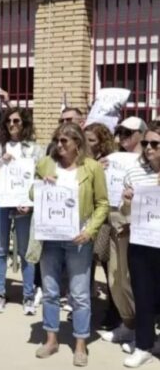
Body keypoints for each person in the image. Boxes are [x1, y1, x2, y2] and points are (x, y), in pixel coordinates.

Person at [33, 123, 109, 367]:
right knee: (51, 290)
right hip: (50, 238)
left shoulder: (92, 167)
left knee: (79, 294)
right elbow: (33, 194)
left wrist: (90, 231)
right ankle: (51, 339)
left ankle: (80, 343)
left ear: (78, 143)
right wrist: (42, 185)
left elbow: (102, 204)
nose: (59, 144)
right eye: (57, 139)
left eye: (65, 140)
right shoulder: (47, 164)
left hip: (78, 239)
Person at [0, 107, 44, 314]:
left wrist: (30, 202)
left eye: (17, 121)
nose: (12, 124)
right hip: (1, 201)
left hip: (24, 204)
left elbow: (40, 177)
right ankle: (0, 294)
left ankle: (28, 296)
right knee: (1, 251)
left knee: (26, 252)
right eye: (9, 121)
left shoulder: (35, 150)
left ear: (24, 123)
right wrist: (0, 163)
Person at [100, 116, 146, 347]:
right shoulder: (112, 160)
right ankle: (128, 324)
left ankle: (141, 330)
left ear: (141, 134)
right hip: (114, 218)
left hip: (138, 225)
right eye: (120, 132)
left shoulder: (147, 162)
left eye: (129, 132)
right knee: (115, 276)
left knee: (134, 279)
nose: (123, 136)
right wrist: (98, 169)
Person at [119, 121, 160, 368]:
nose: (148, 148)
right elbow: (124, 209)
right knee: (143, 294)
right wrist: (126, 200)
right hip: (142, 242)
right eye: (145, 143)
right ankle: (143, 345)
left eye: (155, 144)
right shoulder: (135, 172)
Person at [84, 123, 122, 331]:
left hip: (106, 221)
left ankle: (113, 311)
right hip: (85, 220)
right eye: (86, 139)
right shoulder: (81, 161)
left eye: (92, 140)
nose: (88, 144)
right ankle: (82, 307)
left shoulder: (110, 163)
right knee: (84, 267)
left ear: (102, 143)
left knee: (109, 267)